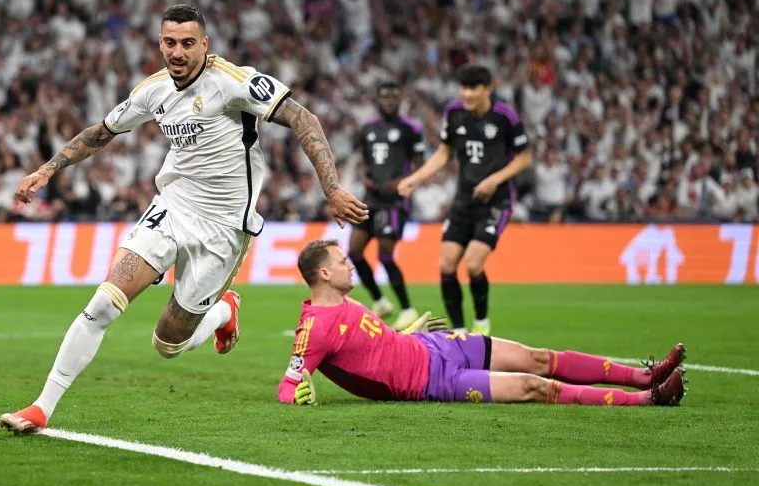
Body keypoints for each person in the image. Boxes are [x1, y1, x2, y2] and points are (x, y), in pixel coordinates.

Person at [0, 4, 369, 434]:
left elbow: (304, 119)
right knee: (104, 303)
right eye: (169, 42)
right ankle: (42, 408)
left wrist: (331, 188)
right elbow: (101, 132)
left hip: (225, 229)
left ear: (205, 45)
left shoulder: (235, 83)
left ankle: (222, 313)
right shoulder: (153, 91)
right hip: (172, 207)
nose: (177, 52)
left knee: (168, 344)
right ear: (160, 42)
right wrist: (47, 170)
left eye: (187, 43)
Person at [278, 240, 686, 407]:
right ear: (324, 275)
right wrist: (299, 395)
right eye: (343, 262)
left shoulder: (345, 302)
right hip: (433, 382)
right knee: (533, 386)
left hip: (437, 346)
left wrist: (411, 332)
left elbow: (374, 352)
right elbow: (288, 385)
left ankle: (644, 376)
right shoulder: (315, 328)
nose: (351, 265)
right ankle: (650, 400)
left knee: (538, 357)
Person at [399, 65, 532, 335]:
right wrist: (416, 178)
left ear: (487, 90)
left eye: (472, 88)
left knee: (473, 263)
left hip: (497, 202)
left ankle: (481, 322)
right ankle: (459, 330)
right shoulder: (454, 112)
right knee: (446, 264)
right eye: (463, 88)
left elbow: (524, 157)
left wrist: (496, 179)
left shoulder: (504, 115)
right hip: (464, 200)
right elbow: (444, 153)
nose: (466, 94)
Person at [349, 82, 426, 330]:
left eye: (394, 96)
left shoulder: (410, 129)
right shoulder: (368, 128)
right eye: (385, 96)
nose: (389, 101)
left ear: (400, 99)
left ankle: (407, 308)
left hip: (393, 202)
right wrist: (364, 177)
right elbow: (363, 159)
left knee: (385, 255)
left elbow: (420, 164)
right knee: (354, 252)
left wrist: (403, 182)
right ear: (378, 99)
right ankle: (380, 301)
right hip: (370, 198)